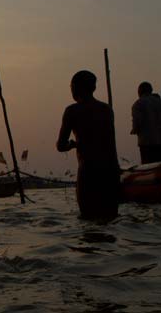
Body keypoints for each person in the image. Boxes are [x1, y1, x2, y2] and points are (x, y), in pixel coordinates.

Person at [57, 70, 120, 221]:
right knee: (111, 220)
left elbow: (60, 145)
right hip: (110, 171)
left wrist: (72, 145)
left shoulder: (72, 111)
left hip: (89, 172)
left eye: (71, 87)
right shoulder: (106, 109)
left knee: (88, 220)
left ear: (76, 88)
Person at [131, 81, 161, 164]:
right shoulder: (159, 102)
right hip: (159, 140)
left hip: (146, 142)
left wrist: (134, 130)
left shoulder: (138, 104)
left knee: (148, 168)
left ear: (140, 91)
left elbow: (137, 122)